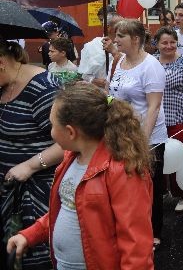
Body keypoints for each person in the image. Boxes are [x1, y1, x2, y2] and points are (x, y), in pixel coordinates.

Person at [7, 83, 154, 269]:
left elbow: (136, 245)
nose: (51, 132)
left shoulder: (122, 170)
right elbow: (67, 210)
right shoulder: (71, 159)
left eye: (53, 125)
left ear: (70, 132)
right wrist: (30, 234)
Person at [0, 39, 64, 269]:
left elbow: (68, 143)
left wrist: (29, 166)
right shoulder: (5, 84)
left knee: (33, 259)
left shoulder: (43, 87)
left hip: (37, 194)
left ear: (1, 63)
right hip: (9, 191)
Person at [108, 19, 167, 250]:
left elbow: (153, 107)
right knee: (127, 187)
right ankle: (130, 229)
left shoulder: (151, 66)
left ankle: (154, 232)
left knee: (149, 187)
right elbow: (112, 94)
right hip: (121, 136)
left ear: (135, 39)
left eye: (120, 36)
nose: (115, 40)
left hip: (148, 138)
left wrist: (143, 142)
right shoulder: (120, 60)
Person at [154, 27, 183, 212]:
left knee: (179, 158)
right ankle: (167, 189)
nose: (169, 46)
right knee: (162, 159)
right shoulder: (152, 64)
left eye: (172, 42)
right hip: (159, 120)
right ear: (156, 44)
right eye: (164, 43)